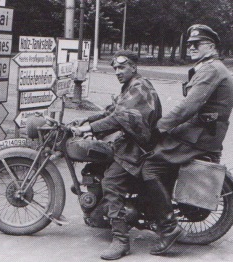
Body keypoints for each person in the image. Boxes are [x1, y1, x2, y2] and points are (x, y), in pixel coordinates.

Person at [141, 24, 233, 256]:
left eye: (197, 44)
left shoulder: (211, 70)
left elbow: (189, 106)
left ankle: (169, 227)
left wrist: (160, 126)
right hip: (198, 131)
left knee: (149, 167)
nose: (191, 47)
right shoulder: (207, 67)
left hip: (199, 136)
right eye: (190, 43)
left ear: (211, 46)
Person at [70, 50, 162, 260]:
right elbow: (112, 110)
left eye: (122, 67)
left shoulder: (140, 87)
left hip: (139, 146)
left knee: (111, 183)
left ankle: (121, 240)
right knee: (96, 165)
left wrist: (89, 129)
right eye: (115, 68)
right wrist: (86, 121)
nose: (117, 72)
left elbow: (118, 117)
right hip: (131, 142)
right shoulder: (131, 86)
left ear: (133, 67)